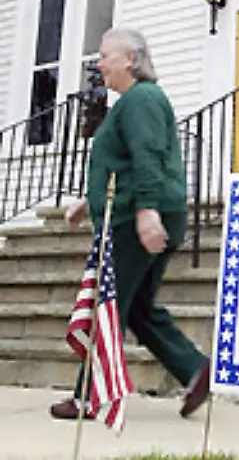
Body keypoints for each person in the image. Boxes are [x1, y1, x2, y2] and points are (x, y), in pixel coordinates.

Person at [50, 27, 209, 421]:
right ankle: (195, 370)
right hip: (133, 209)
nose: (98, 63)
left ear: (131, 60)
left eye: (105, 56)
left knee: (110, 303)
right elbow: (123, 162)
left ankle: (90, 396)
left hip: (135, 216)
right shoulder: (134, 102)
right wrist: (89, 200)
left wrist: (146, 210)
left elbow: (147, 156)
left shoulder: (141, 98)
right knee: (137, 306)